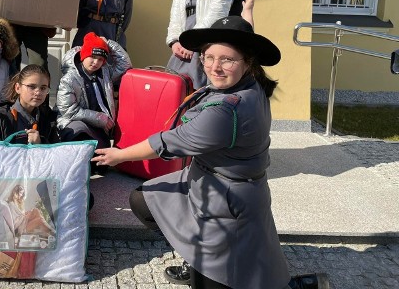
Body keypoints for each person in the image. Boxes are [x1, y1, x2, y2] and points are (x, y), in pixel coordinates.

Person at [92, 16, 328, 289]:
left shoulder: (228, 110)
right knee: (145, 200)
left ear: (247, 62)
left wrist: (118, 155)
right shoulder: (250, 83)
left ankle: (301, 286)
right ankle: (195, 257)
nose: (215, 67)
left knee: (233, 278)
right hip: (204, 180)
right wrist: (247, 14)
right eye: (208, 57)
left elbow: (168, 142)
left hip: (226, 199)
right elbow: (242, 44)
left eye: (227, 60)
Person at [56, 32, 132, 155]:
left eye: (100, 59)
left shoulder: (105, 73)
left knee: (101, 164)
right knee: (79, 132)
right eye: (92, 56)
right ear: (83, 55)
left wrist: (108, 43)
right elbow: (68, 110)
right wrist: (100, 118)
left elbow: (125, 65)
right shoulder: (69, 78)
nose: (96, 62)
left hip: (98, 126)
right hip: (75, 123)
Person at [0, 64, 58, 144]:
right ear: (18, 88)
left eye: (43, 88)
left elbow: (56, 153)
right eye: (32, 87)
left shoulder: (49, 119)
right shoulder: (0, 117)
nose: (38, 92)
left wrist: (40, 143)